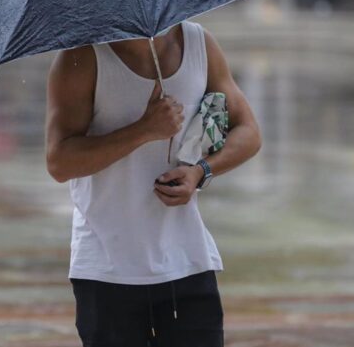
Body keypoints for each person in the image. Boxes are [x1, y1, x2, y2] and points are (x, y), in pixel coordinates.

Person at [45, 20, 262, 346]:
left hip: (187, 261)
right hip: (107, 268)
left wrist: (200, 172)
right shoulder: (82, 56)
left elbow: (248, 131)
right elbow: (59, 161)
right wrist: (143, 130)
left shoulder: (199, 43)